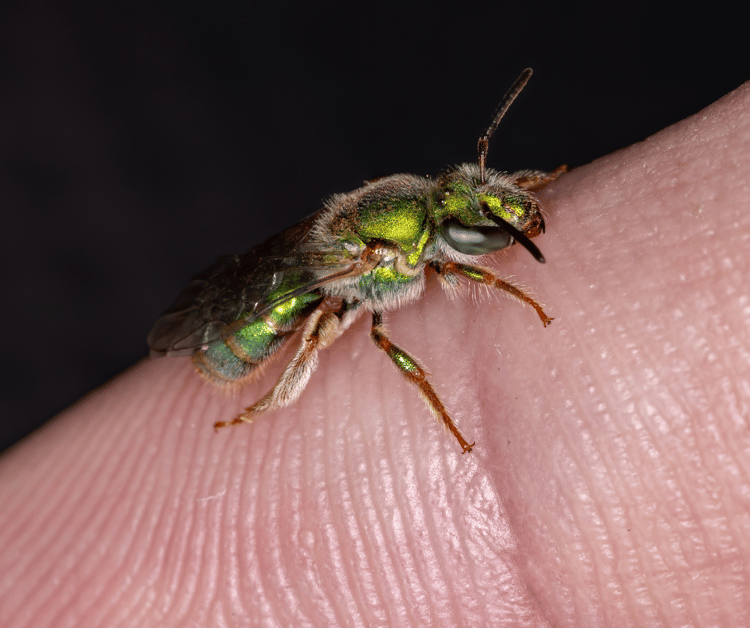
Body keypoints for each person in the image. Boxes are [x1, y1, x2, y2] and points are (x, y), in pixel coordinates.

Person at [1, 83, 748, 626]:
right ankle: (269, 403)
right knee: (349, 331)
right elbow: (453, 266)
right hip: (254, 321)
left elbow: (463, 208)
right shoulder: (390, 251)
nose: (479, 201)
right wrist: (518, 294)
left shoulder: (420, 206)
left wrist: (518, 196)